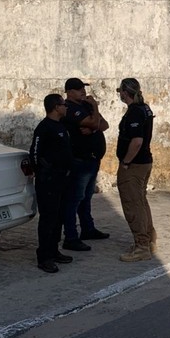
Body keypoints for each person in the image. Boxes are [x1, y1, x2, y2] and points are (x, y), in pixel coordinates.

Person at [60, 78, 110, 252]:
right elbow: (93, 122)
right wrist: (95, 111)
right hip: (79, 161)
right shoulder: (70, 108)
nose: (83, 91)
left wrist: (94, 127)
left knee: (86, 198)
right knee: (73, 200)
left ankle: (88, 229)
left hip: (92, 159)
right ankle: (71, 237)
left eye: (83, 88)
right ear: (69, 92)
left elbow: (104, 124)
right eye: (78, 88)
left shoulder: (86, 106)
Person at [29, 94, 74, 273]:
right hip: (49, 181)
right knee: (48, 218)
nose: (66, 107)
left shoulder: (61, 126)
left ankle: (54, 250)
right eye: (64, 105)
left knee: (59, 216)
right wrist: (43, 173)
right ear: (56, 107)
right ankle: (44, 256)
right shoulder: (44, 128)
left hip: (62, 179)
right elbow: (34, 153)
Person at [115, 77, 158, 262]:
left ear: (126, 92)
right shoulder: (144, 109)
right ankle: (149, 240)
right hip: (144, 162)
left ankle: (141, 246)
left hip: (134, 165)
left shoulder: (134, 112)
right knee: (140, 201)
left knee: (133, 204)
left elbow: (137, 141)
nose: (120, 95)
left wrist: (126, 162)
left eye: (120, 92)